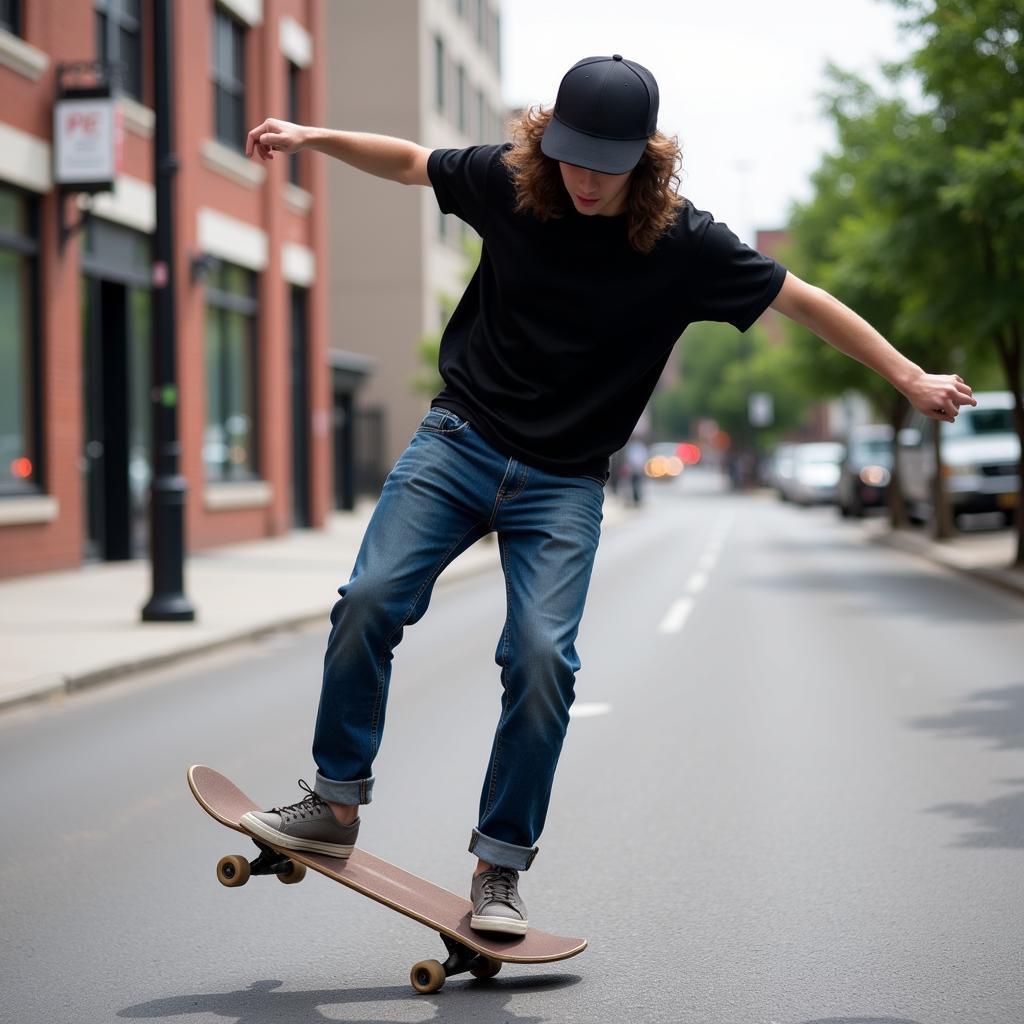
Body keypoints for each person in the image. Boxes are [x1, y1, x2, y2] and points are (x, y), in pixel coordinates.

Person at [240, 55, 976, 936]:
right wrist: (312, 136)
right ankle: (333, 802)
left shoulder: (685, 244)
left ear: (645, 161)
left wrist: (906, 375)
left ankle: (499, 871)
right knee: (368, 599)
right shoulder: (513, 183)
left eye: (605, 165)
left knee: (544, 661)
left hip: (563, 483)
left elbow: (801, 299)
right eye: (571, 159)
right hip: (460, 441)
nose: (584, 181)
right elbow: (409, 160)